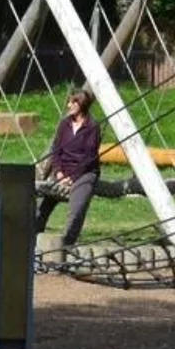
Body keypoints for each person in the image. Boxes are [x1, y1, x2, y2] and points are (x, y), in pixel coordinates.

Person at [35, 88, 101, 248]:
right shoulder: (64, 124)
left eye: (72, 102)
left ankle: (66, 244)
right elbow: (56, 150)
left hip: (84, 172)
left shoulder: (92, 126)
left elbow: (89, 156)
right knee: (42, 207)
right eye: (69, 102)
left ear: (81, 104)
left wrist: (72, 177)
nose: (69, 105)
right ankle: (33, 238)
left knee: (76, 209)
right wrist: (58, 172)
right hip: (62, 170)